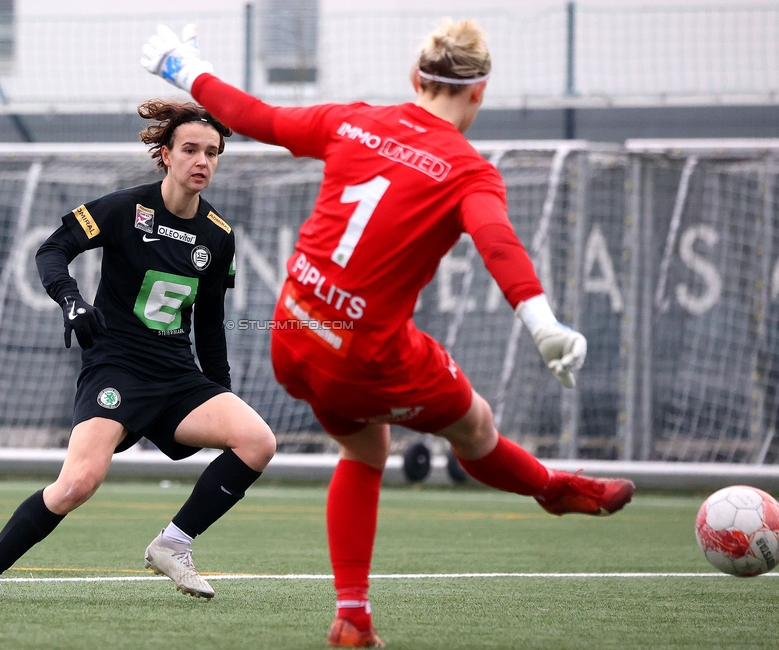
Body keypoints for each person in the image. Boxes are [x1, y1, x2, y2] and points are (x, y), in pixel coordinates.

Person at [143, 19, 637, 647]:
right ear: (479, 94)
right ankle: (551, 489)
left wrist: (181, 69)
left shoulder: (352, 120)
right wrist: (542, 324)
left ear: (415, 79)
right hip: (365, 354)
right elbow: (498, 243)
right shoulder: (468, 170)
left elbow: (257, 116)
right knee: (476, 425)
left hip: (293, 337)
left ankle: (353, 614)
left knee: (364, 450)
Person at [0, 98, 276, 603]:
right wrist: (71, 301)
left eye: (212, 152)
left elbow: (209, 321)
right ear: (165, 154)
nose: (202, 161)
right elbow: (52, 248)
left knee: (258, 440)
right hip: (116, 370)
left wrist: (220, 389)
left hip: (178, 376)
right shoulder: (126, 208)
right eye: (190, 149)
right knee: (78, 483)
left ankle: (173, 543)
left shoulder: (218, 235)